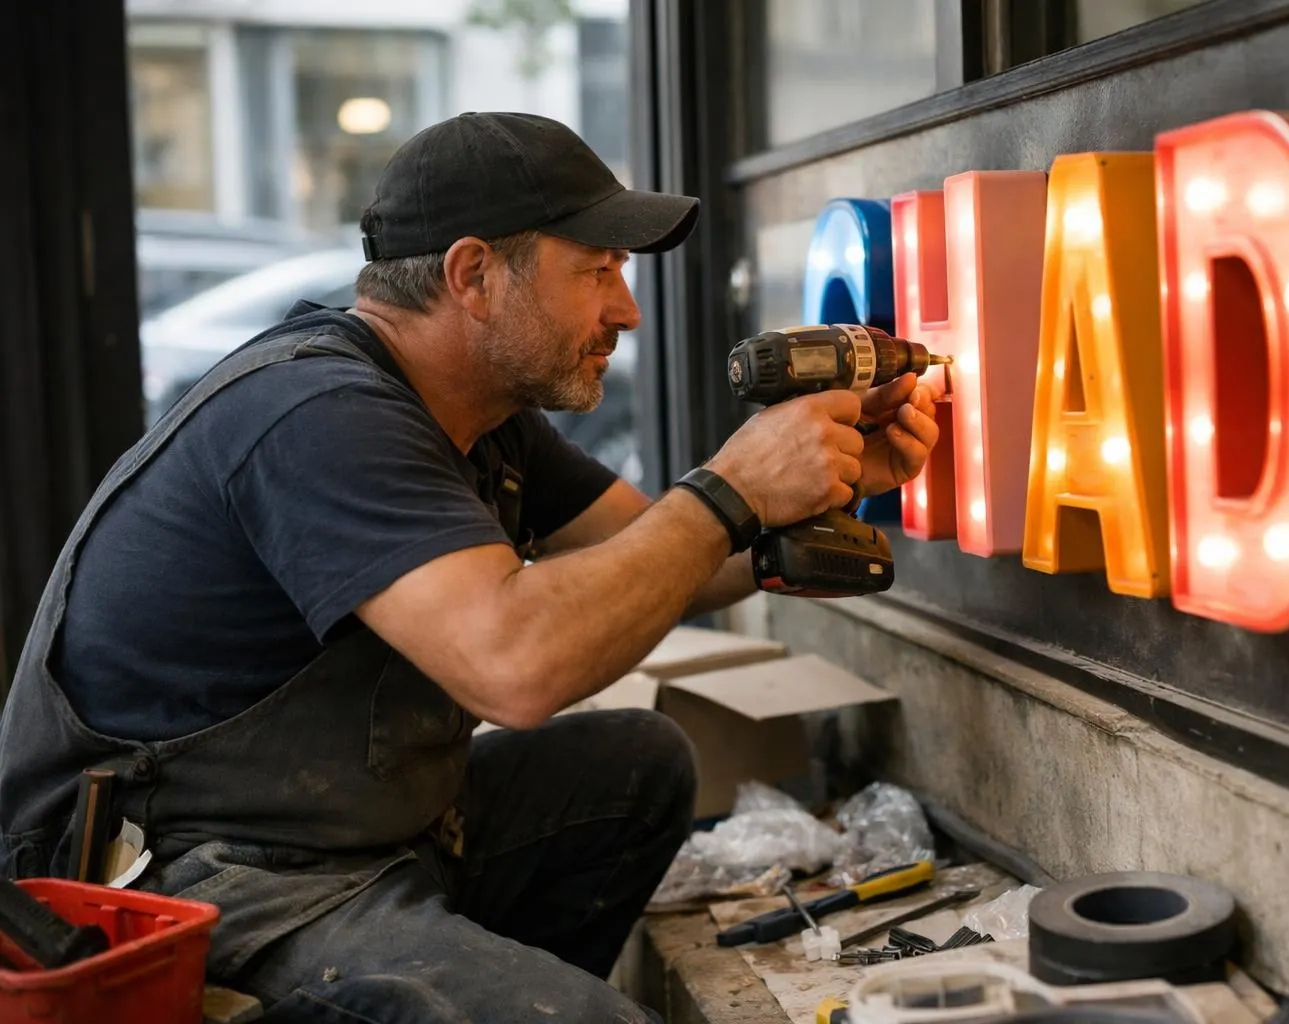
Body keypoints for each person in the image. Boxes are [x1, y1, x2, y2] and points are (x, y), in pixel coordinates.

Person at [0, 112, 940, 1021]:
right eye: (598, 270)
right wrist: (732, 485)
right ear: (474, 273)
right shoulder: (317, 414)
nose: (628, 308)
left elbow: (663, 558)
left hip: (357, 837)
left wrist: (824, 489)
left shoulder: (479, 415)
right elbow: (517, 670)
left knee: (634, 766)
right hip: (191, 887)